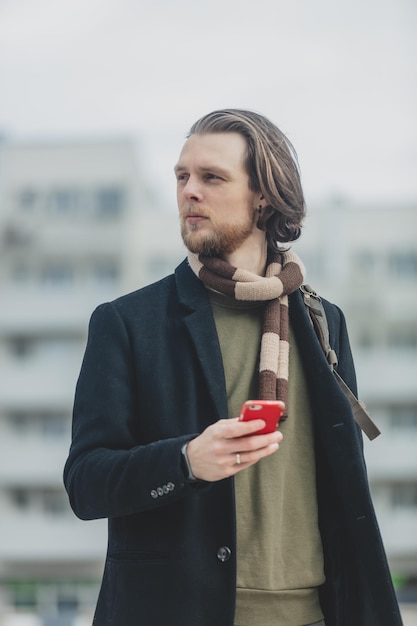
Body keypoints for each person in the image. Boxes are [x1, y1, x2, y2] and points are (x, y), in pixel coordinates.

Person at [64, 109, 402, 626]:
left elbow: (344, 488)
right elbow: (86, 484)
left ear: (264, 195)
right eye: (182, 177)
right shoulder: (127, 323)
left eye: (211, 177)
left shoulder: (323, 321)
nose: (189, 192)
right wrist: (186, 461)